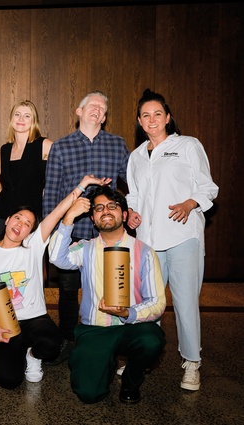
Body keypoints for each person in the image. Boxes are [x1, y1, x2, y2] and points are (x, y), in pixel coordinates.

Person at [0, 174, 110, 390]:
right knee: (9, 381)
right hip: (5, 321)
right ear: (7, 220)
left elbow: (58, 212)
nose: (21, 224)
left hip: (35, 318)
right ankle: (19, 350)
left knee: (51, 344)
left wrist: (83, 184)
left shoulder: (33, 245)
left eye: (28, 223)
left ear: (31, 231)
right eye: (17, 218)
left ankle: (33, 355)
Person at [126, 89, 218, 392]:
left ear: (167, 117)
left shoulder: (188, 145)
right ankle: (139, 356)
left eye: (157, 114)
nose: (152, 119)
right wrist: (132, 213)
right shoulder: (136, 156)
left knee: (184, 302)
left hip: (182, 236)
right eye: (145, 115)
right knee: (145, 303)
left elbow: (208, 187)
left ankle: (192, 363)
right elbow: (135, 196)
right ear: (140, 121)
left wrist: (190, 203)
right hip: (149, 240)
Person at [49, 186, 166, 404]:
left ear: (124, 214)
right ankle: (105, 361)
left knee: (151, 339)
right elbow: (56, 257)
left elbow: (158, 303)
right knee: (88, 393)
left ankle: (131, 381)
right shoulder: (85, 248)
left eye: (113, 206)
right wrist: (69, 217)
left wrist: (128, 312)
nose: (106, 211)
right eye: (99, 208)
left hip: (130, 327)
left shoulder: (144, 252)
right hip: (95, 329)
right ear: (93, 218)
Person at [42, 91, 130, 363]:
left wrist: (134, 211)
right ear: (78, 112)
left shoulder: (117, 144)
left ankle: (108, 339)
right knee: (68, 291)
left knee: (109, 287)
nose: (98, 110)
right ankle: (69, 339)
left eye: (102, 108)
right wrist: (51, 235)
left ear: (105, 117)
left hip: (108, 233)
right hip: (74, 232)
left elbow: (134, 184)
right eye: (92, 106)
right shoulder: (61, 146)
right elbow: (52, 192)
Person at [0, 100, 53, 239]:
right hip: (5, 215)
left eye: (27, 116)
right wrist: (0, 196)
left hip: (30, 218)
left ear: (34, 121)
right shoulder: (5, 149)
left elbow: (67, 167)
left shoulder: (43, 144)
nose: (21, 119)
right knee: (3, 258)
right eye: (17, 114)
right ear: (11, 119)